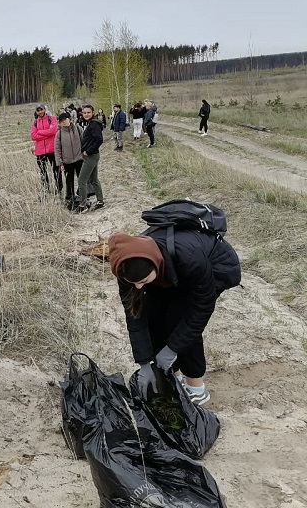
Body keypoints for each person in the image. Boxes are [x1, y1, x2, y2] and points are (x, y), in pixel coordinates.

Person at [108, 228, 241, 406]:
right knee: (154, 315)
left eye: (143, 281)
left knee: (180, 319)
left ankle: (196, 388)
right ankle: (174, 377)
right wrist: (145, 362)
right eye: (134, 283)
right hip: (171, 269)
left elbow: (199, 312)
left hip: (215, 265)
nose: (138, 287)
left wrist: (172, 349)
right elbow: (135, 317)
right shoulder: (126, 269)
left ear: (155, 265)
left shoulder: (190, 258)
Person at [73, 104, 105, 213]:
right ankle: (100, 201)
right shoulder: (91, 123)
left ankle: (83, 205)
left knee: (82, 180)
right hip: (92, 155)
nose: (86, 114)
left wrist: (88, 151)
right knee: (94, 179)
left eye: (88, 112)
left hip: (91, 156)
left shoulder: (94, 124)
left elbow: (99, 139)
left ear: (93, 112)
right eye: (84, 112)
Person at [54, 112, 84, 211]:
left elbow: (83, 141)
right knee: (69, 180)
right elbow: (57, 149)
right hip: (67, 161)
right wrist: (60, 163)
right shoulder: (59, 133)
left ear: (69, 119)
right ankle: (70, 197)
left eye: (65, 120)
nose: (64, 122)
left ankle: (82, 195)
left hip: (79, 159)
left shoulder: (78, 129)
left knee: (82, 178)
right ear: (60, 123)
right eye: (62, 121)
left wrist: (85, 154)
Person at [30, 103, 62, 195]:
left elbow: (53, 131)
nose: (40, 112)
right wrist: (46, 134)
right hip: (40, 151)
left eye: (41, 109)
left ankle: (58, 188)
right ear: (36, 111)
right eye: (38, 110)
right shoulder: (35, 122)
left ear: (44, 109)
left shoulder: (52, 119)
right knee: (43, 172)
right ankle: (46, 189)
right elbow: (33, 136)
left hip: (52, 149)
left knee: (56, 170)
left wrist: (39, 132)